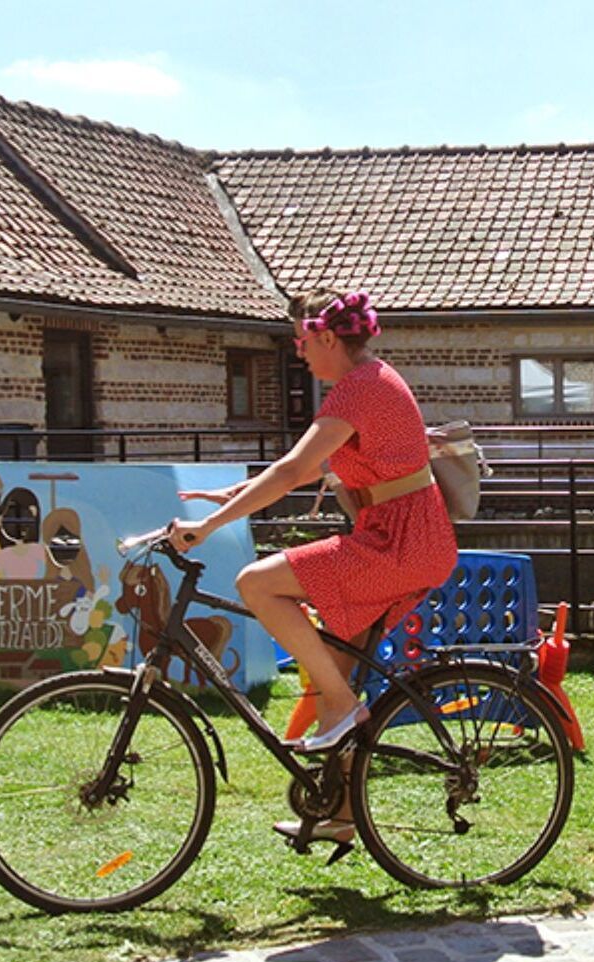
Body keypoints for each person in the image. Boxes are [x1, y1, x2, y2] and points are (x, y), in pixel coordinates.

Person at [169, 289, 458, 839]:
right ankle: (344, 815)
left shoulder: (359, 390)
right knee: (330, 671)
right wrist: (237, 493)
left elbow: (294, 469)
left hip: (399, 544)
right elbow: (317, 468)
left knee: (257, 583)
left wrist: (208, 528)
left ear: (328, 338)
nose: (299, 352)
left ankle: (347, 708)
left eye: (301, 341)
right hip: (398, 538)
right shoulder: (369, 381)